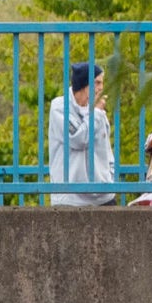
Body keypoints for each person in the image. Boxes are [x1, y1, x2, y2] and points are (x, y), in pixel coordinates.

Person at [44, 61, 118, 206]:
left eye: (102, 83)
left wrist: (109, 176)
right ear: (83, 84)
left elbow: (106, 147)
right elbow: (78, 139)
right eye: (97, 83)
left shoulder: (97, 110)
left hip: (103, 196)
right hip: (70, 198)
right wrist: (96, 112)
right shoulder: (60, 108)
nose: (101, 88)